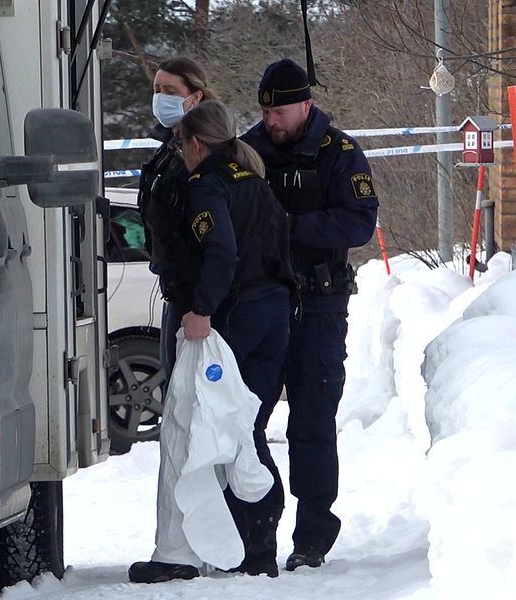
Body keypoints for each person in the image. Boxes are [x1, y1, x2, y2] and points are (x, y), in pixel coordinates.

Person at [129, 100, 295, 584]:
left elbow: (220, 251)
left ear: (196, 143)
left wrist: (201, 308)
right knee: (246, 427)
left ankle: (182, 551)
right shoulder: (255, 181)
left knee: (195, 425)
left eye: (181, 144)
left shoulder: (208, 186)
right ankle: (258, 548)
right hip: (273, 313)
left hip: (232, 318)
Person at [242, 58, 379, 571]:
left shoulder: (338, 153)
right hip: (259, 303)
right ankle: (255, 532)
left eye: (279, 110)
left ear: (306, 104)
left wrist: (288, 229)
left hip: (318, 304)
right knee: (247, 419)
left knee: (312, 420)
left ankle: (312, 536)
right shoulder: (248, 150)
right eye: (265, 110)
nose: (271, 120)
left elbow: (358, 222)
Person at [137, 56, 219, 376]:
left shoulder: (205, 152)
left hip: (197, 299)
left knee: (196, 402)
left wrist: (203, 306)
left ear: (195, 97)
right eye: (157, 89)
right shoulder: (169, 149)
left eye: (170, 90)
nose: (160, 98)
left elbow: (218, 241)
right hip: (174, 292)